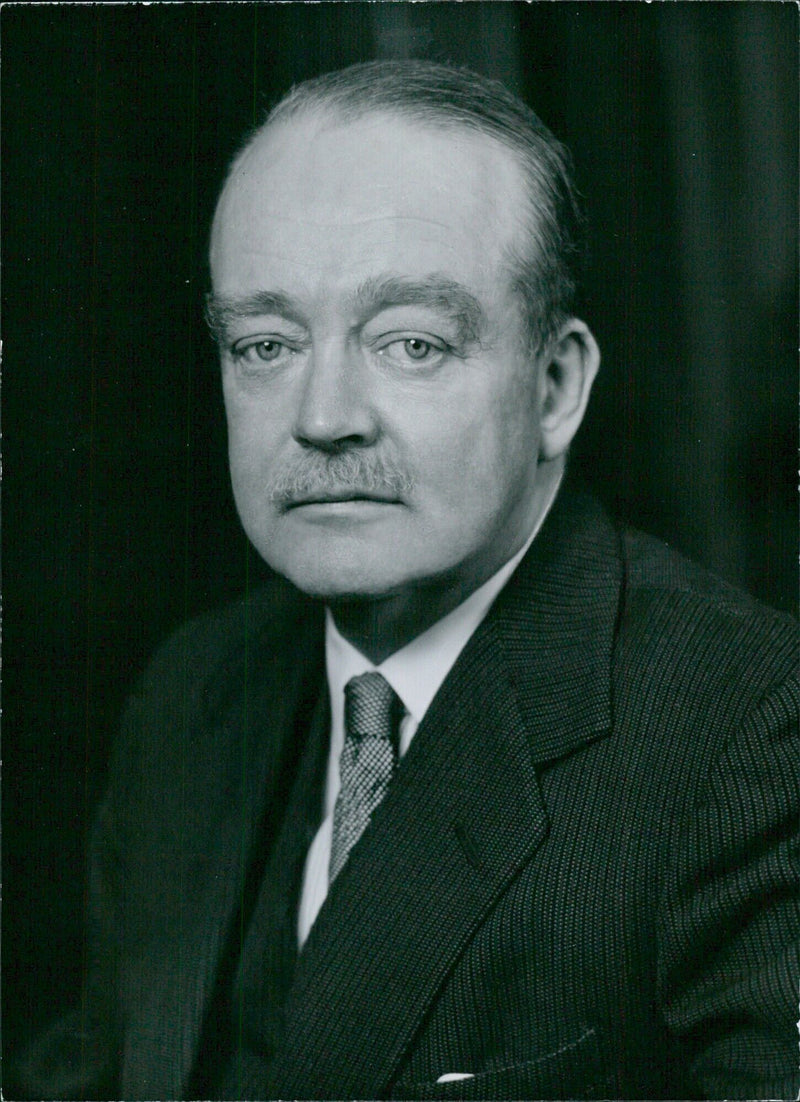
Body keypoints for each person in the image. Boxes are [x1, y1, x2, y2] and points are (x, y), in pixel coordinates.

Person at [18, 60, 798, 1100]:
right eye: (263, 343)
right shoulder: (190, 697)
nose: (324, 413)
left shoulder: (743, 726)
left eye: (412, 343)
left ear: (555, 385)